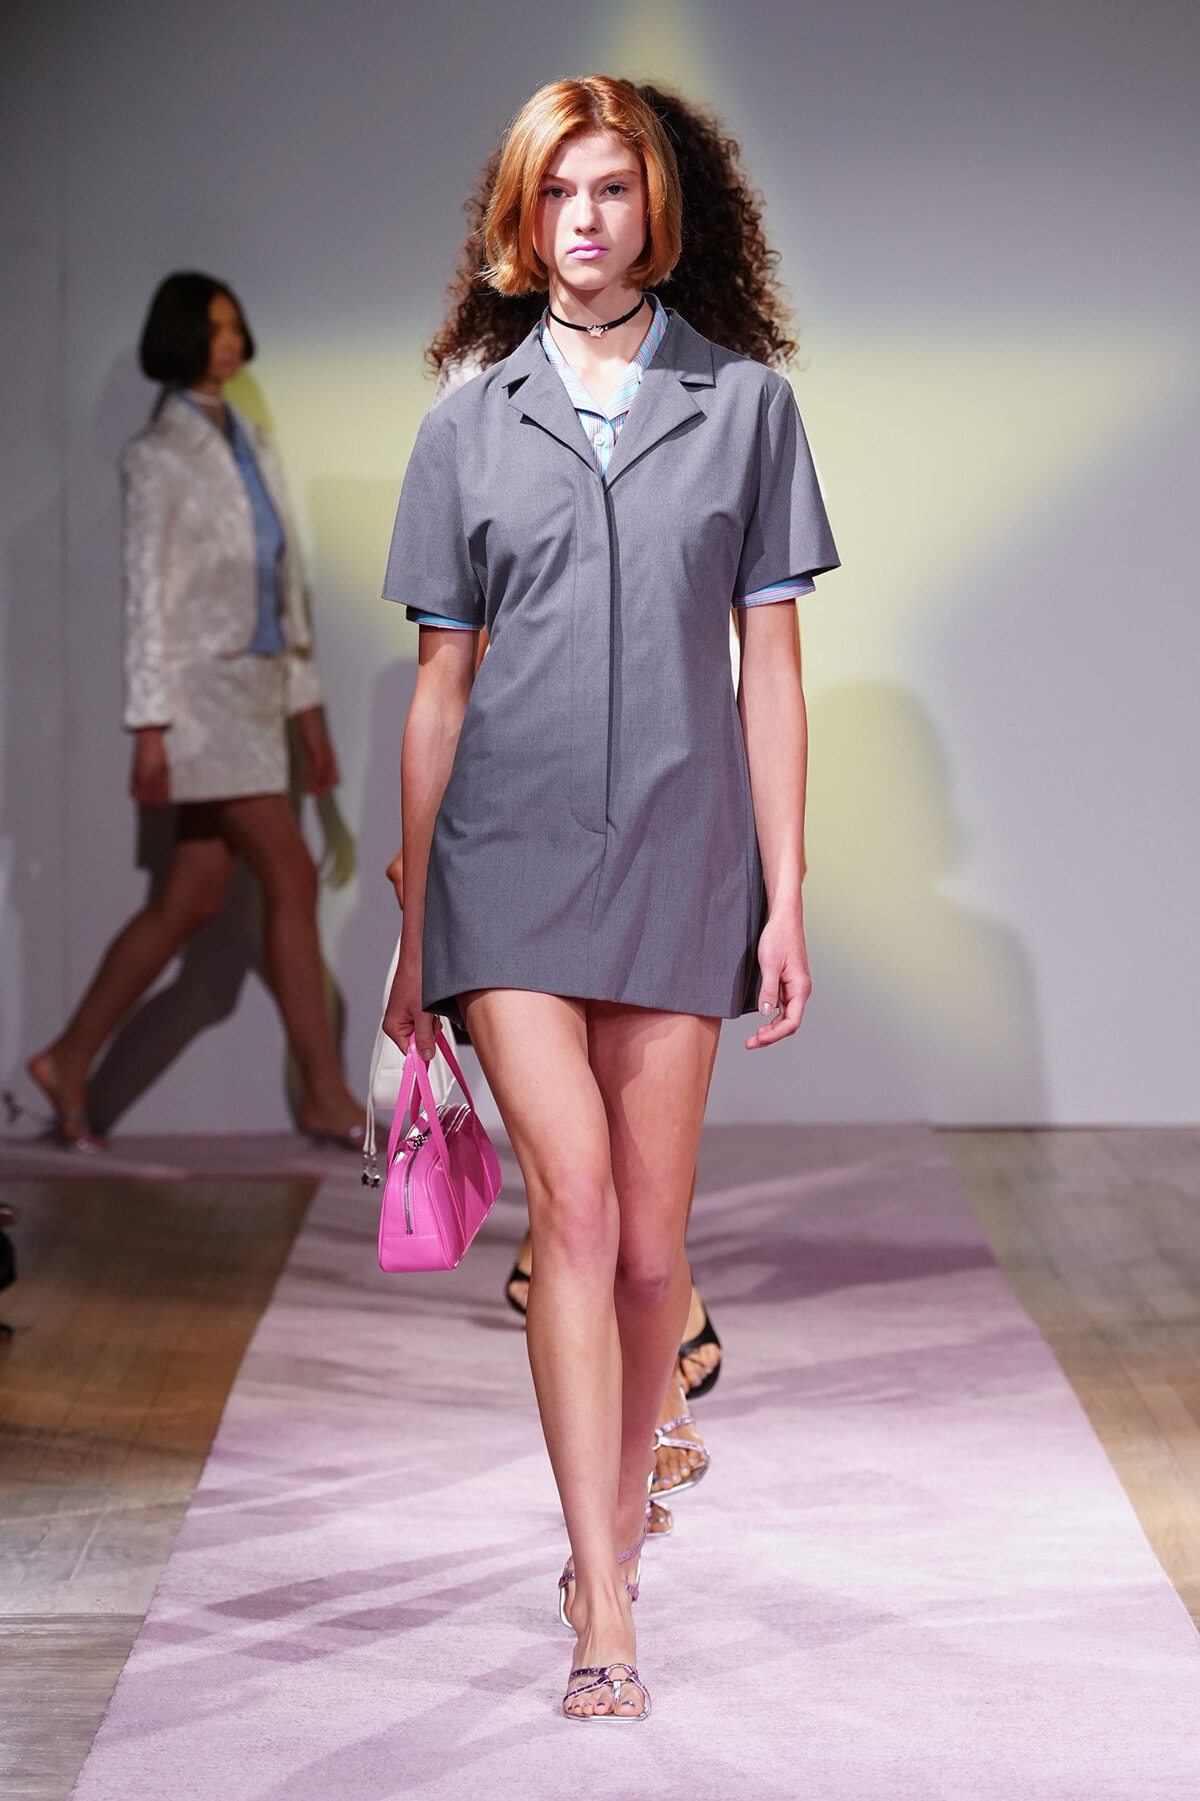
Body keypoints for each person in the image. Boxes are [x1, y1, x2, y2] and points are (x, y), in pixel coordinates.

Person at [383, 76, 837, 1720]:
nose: (586, 217)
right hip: (503, 856)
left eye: (613, 189)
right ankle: (600, 1580)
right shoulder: (462, 426)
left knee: (655, 1253)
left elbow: (772, 674)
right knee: (569, 1209)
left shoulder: (747, 410)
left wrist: (786, 898)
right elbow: (440, 691)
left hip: (682, 850)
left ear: (656, 213)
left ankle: (623, 1516)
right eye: (557, 191)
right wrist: (414, 918)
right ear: (521, 222)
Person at [29, 272, 364, 1151]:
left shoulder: (253, 437)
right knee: (288, 877)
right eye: (210, 326)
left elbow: (283, 588)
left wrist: (310, 715)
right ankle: (326, 1093)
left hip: (261, 697)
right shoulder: (155, 454)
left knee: (193, 896)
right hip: (199, 706)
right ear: (179, 336)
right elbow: (147, 599)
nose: (226, 339)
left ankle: (67, 1058)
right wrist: (149, 729)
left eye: (232, 323)